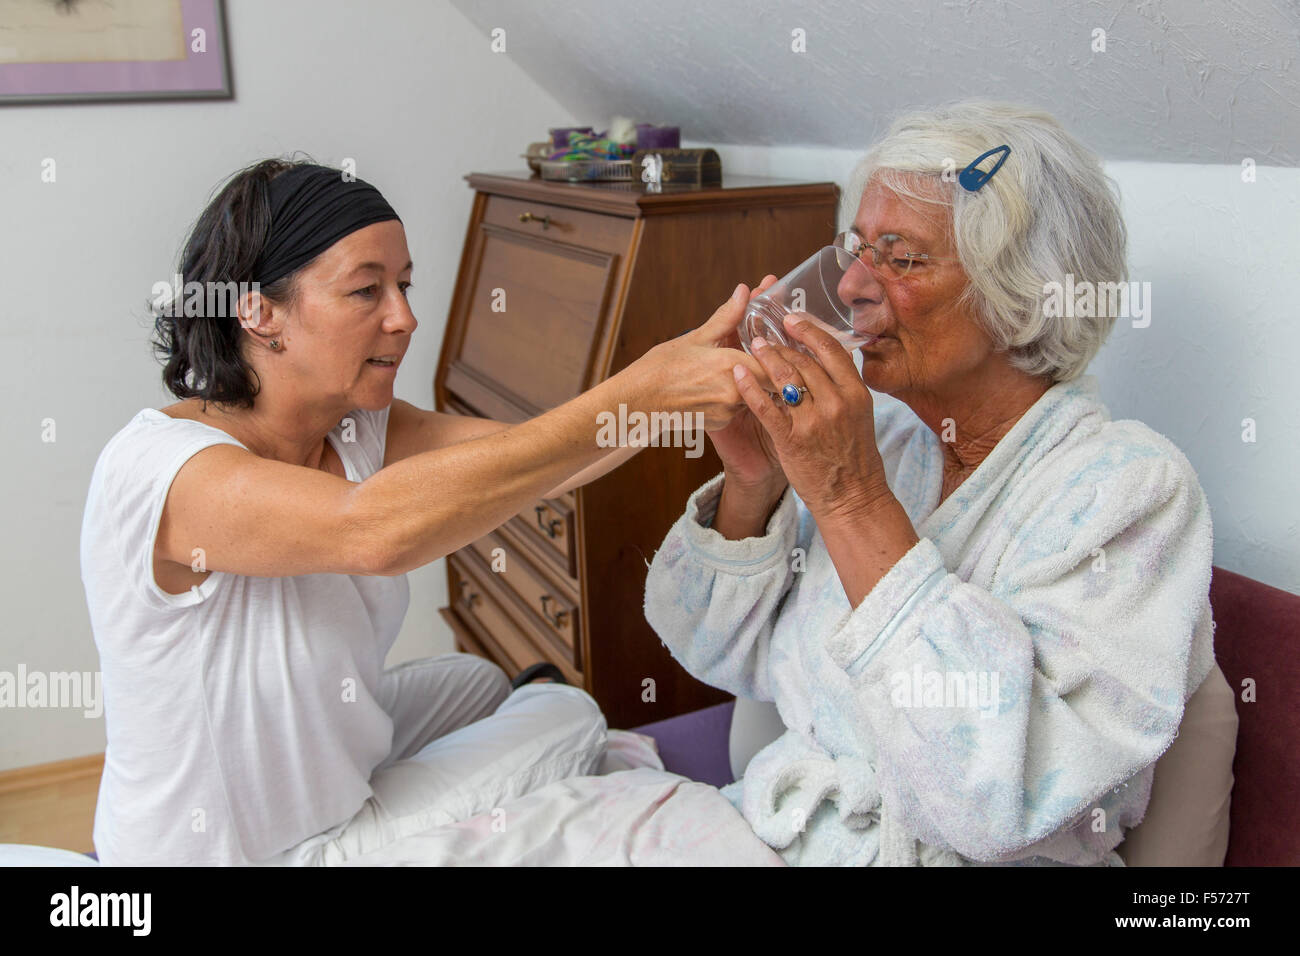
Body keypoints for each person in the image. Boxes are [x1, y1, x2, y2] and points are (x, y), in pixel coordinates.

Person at [80, 158, 768, 866]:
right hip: (248, 853)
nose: (403, 317)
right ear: (258, 312)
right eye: (365, 291)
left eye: (403, 285)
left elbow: (543, 461)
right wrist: (645, 390)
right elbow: (370, 531)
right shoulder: (164, 470)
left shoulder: (351, 429)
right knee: (570, 715)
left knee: (474, 680)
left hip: (316, 773)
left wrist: (683, 386)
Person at [644, 100, 1217, 866]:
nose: (849, 285)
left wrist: (852, 501)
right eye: (854, 249)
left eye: (900, 257)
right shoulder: (884, 437)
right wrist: (755, 483)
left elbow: (1002, 801)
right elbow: (712, 653)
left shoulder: (1132, 494)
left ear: (1023, 297)